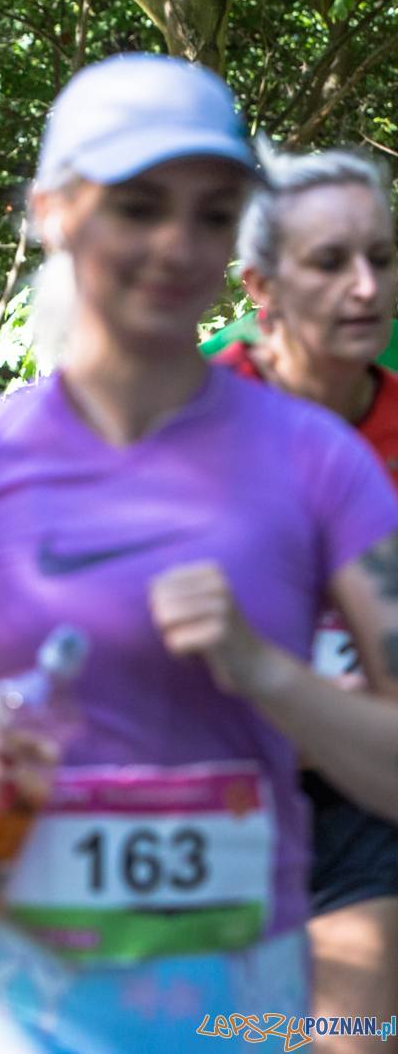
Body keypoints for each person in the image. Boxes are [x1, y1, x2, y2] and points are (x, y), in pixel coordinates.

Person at [0, 54, 398, 1053]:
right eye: (139, 206)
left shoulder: (319, 461)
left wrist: (263, 673)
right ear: (50, 211)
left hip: (233, 989)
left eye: (209, 212)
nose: (176, 244)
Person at [210, 144, 398, 1052]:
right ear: (262, 285)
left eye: (382, 258)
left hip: (362, 794)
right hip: (200, 801)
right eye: (330, 263)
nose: (364, 287)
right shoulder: (187, 410)